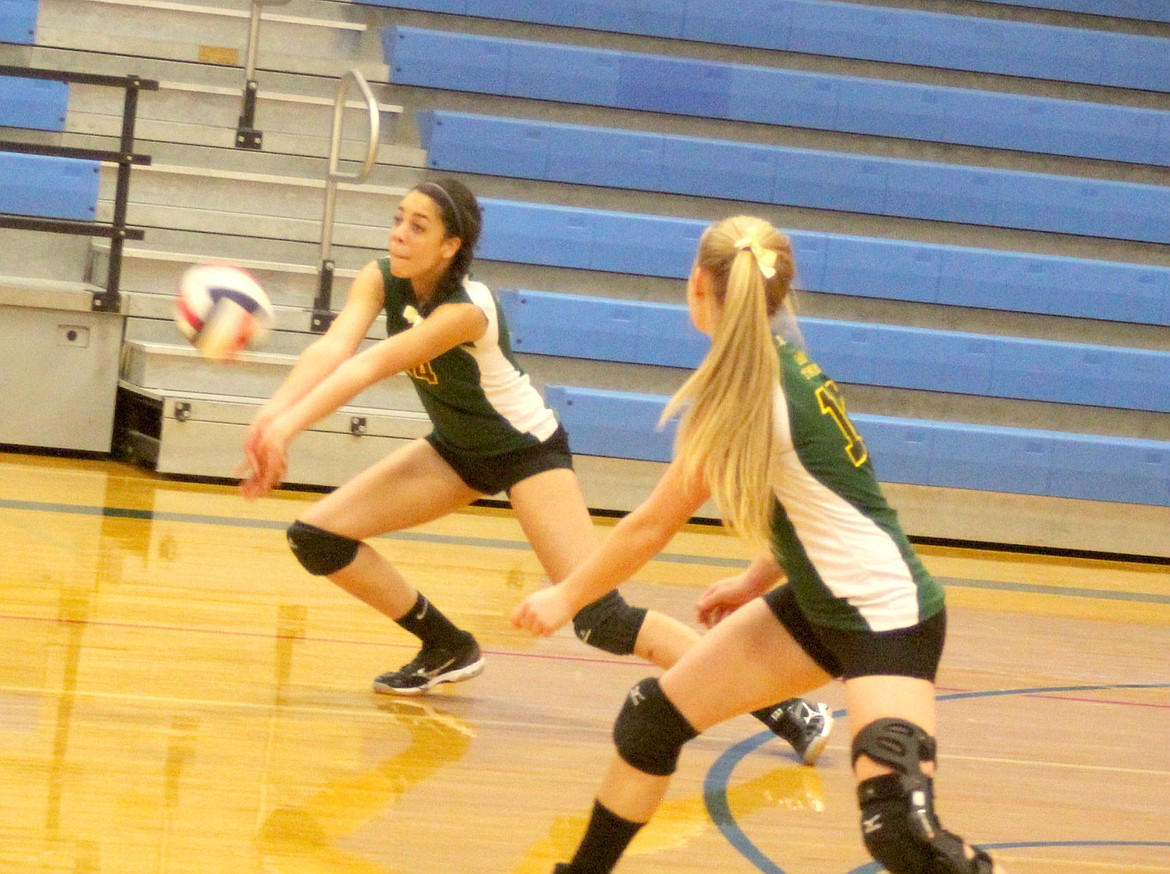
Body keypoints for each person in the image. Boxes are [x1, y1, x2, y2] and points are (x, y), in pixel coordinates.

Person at [237, 179, 833, 763]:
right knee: (317, 537)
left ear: (451, 247)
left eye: (418, 227)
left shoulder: (468, 310)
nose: (398, 235)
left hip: (527, 452)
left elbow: (367, 367)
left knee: (601, 618)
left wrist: (288, 427)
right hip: (458, 448)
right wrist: (273, 413)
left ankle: (783, 707)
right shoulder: (380, 278)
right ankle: (446, 646)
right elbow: (331, 349)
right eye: (398, 219)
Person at [512, 215, 1005, 874]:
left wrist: (567, 594)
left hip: (889, 619)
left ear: (697, 287)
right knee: (651, 721)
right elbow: (818, 501)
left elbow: (653, 526)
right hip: (819, 604)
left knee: (899, 830)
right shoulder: (781, 362)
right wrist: (755, 581)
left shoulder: (741, 395)